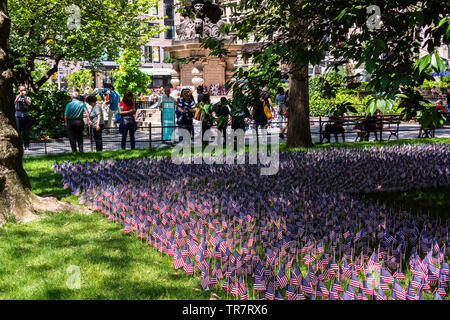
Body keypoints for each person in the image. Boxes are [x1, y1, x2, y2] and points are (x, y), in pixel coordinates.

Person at [14, 85, 32, 150]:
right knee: (18, 132)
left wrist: (24, 96)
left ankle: (27, 145)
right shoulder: (16, 96)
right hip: (18, 116)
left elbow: (28, 103)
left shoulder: (28, 97)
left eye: (24, 90)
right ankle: (18, 146)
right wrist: (19, 95)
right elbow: (14, 102)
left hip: (26, 116)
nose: (23, 91)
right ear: (19, 90)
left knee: (26, 132)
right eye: (21, 90)